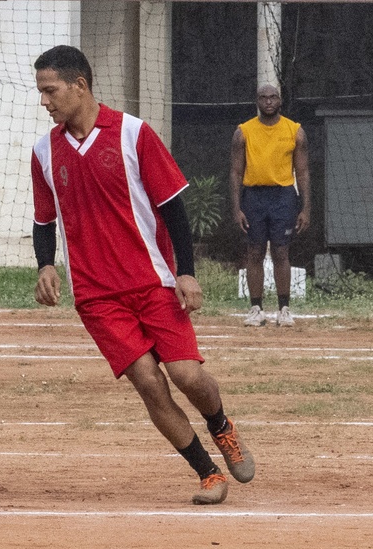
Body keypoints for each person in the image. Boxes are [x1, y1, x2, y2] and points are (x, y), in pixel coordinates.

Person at [30, 45, 254, 505]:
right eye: (40, 92)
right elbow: (43, 219)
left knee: (187, 376)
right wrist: (46, 264)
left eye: (50, 91)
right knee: (149, 382)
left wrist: (185, 274)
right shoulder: (42, 151)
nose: (44, 101)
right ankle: (207, 474)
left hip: (152, 282)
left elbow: (173, 208)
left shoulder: (133, 134)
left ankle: (221, 426)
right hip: (97, 297)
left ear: (80, 85)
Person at [230, 84, 310, 327]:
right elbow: (235, 172)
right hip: (253, 196)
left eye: (272, 97)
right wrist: (236, 208)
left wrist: (306, 208)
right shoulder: (243, 132)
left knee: (281, 252)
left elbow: (303, 172)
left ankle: (284, 309)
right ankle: (256, 309)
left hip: (283, 196)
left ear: (280, 100)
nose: (268, 101)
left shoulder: (295, 131)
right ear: (256, 101)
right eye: (263, 98)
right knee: (254, 252)